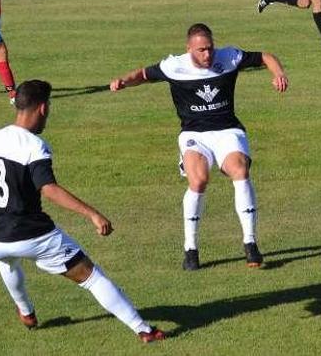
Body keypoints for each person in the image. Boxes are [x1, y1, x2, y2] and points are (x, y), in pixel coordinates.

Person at [0, 80, 165, 343]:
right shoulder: (35, 146)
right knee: (90, 277)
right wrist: (92, 213)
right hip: (31, 235)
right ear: (43, 108)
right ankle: (144, 329)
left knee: (7, 259)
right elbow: (48, 189)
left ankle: (26, 313)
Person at [109, 23, 289, 271]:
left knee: (239, 170)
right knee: (199, 181)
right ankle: (190, 248)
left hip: (227, 130)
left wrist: (278, 73)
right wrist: (123, 81)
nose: (208, 55)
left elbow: (265, 57)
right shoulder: (174, 66)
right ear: (189, 49)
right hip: (194, 134)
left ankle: (250, 243)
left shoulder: (230, 57)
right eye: (201, 50)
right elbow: (143, 74)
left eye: (210, 48)